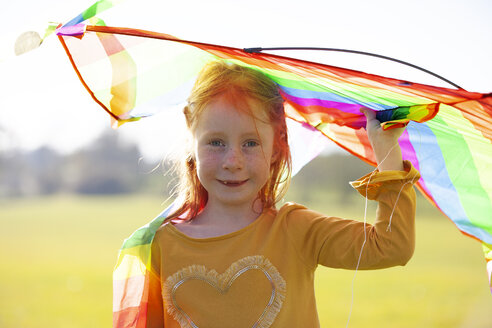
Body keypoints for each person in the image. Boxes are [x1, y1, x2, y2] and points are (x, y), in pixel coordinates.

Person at [145, 61, 420, 327]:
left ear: (277, 146)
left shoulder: (295, 230)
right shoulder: (159, 245)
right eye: (216, 142)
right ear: (191, 136)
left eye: (251, 143)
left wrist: (386, 149)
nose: (233, 161)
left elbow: (391, 247)